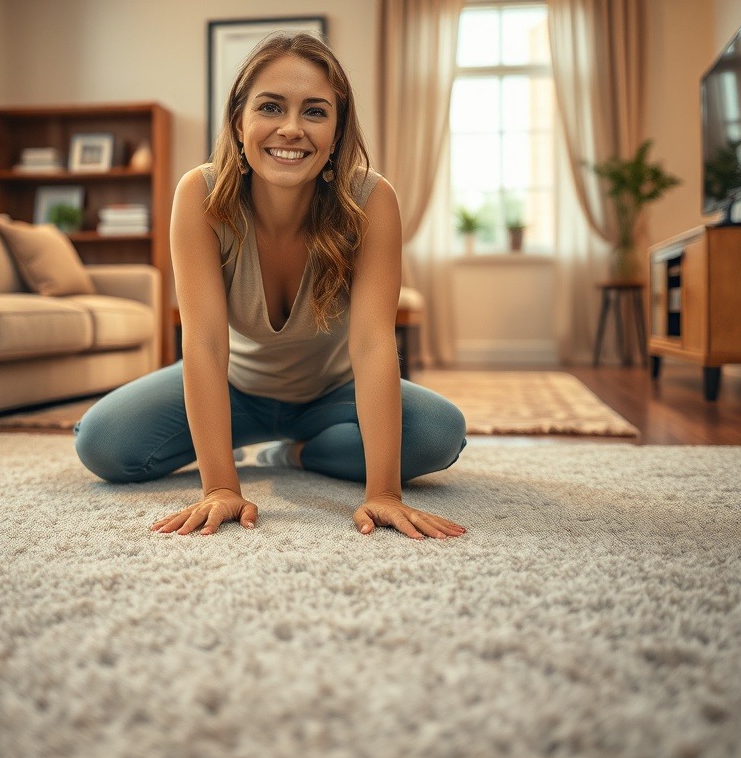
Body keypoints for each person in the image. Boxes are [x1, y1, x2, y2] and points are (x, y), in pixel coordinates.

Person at [74, 32, 467, 539]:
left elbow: (372, 345)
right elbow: (206, 343)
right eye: (271, 107)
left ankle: (294, 453)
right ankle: (226, 441)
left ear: (337, 131)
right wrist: (220, 485)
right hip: (236, 385)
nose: (291, 129)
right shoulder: (200, 194)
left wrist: (384, 493)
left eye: (315, 112)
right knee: (101, 445)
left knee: (438, 434)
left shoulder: (371, 199)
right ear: (240, 123)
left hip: (333, 392)